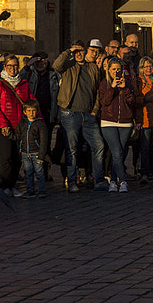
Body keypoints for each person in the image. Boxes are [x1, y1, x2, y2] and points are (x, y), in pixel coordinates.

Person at [53, 41, 103, 193]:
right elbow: (56, 65)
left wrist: (94, 110)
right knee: (72, 149)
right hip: (70, 113)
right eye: (77, 51)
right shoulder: (69, 66)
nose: (80, 54)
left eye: (82, 51)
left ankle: (98, 179)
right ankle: (72, 180)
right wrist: (69, 51)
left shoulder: (93, 67)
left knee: (98, 146)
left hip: (88, 114)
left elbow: (97, 91)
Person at [0, 55, 33, 190]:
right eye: (10, 66)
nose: (13, 69)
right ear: (4, 67)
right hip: (2, 127)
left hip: (19, 126)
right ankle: (6, 186)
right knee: (6, 158)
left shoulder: (23, 83)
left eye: (15, 66)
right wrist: (3, 124)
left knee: (17, 159)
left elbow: (31, 103)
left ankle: (12, 185)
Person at [95, 56, 137, 191]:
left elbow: (132, 101)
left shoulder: (128, 82)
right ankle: (123, 181)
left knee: (118, 153)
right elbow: (104, 102)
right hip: (108, 121)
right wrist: (112, 87)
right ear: (108, 70)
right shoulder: (104, 83)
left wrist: (125, 89)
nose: (116, 72)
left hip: (125, 122)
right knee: (117, 151)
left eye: (118, 69)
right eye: (113, 69)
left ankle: (113, 181)